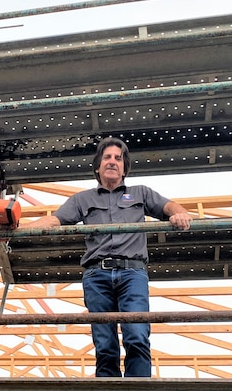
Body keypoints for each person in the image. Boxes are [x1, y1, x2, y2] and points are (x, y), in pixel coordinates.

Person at [23, 136, 192, 378]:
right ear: (97, 167)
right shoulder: (83, 199)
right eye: (107, 157)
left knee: (136, 336)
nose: (112, 162)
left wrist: (180, 213)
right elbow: (54, 220)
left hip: (132, 272)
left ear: (124, 168)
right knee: (105, 345)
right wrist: (17, 228)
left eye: (118, 158)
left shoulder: (141, 193)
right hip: (96, 276)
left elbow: (169, 206)